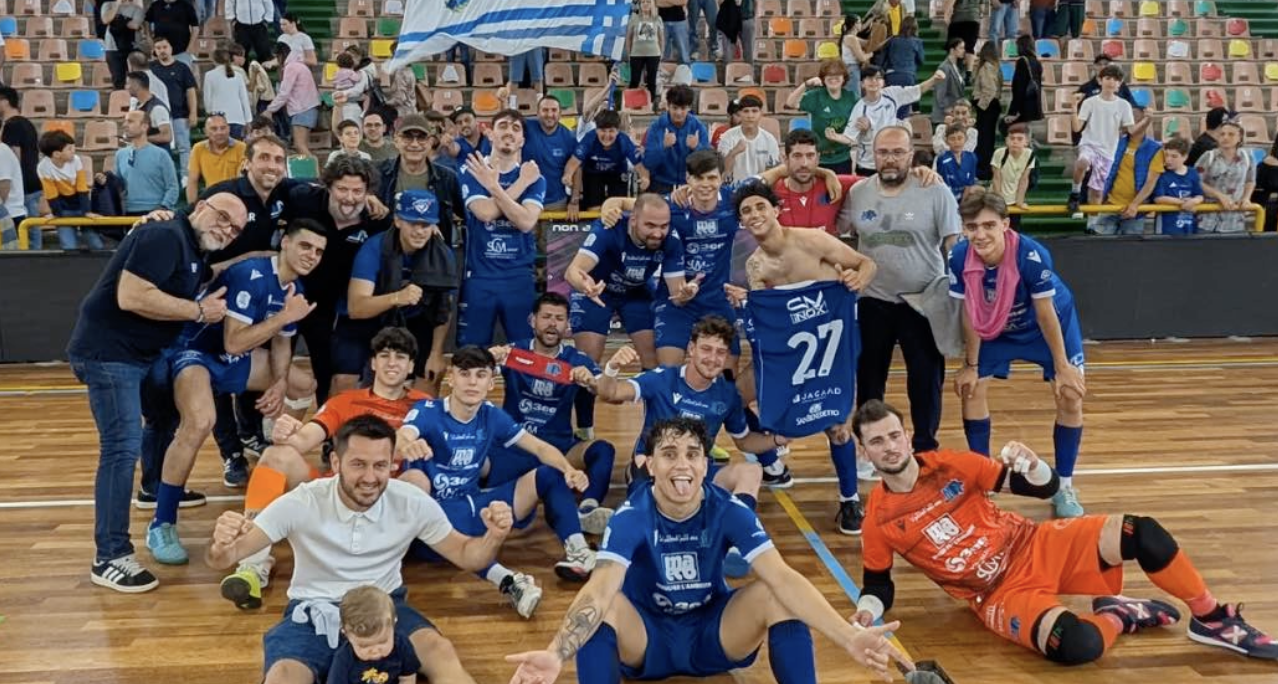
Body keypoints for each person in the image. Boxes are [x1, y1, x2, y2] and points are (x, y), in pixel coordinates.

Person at [852, 398, 1278, 665]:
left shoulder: (953, 465)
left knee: (1141, 531)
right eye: (877, 442)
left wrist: (1034, 464)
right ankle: (1119, 615)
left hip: (1035, 544)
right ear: (864, 451)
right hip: (998, 594)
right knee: (1075, 645)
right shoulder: (879, 519)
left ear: (908, 436)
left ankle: (1210, 618)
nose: (889, 447)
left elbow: (1046, 488)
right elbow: (878, 584)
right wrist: (867, 612)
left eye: (894, 436)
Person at [505, 416, 911, 684]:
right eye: (669, 454)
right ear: (650, 465)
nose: (682, 465)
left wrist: (848, 637)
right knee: (602, 607)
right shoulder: (631, 516)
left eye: (692, 454)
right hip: (647, 637)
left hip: (714, 633)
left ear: (705, 465)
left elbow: (783, 578)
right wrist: (557, 653)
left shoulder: (729, 510)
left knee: (777, 595)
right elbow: (599, 590)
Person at [206, 415, 504, 684]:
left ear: (392, 464)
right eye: (359, 464)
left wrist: (494, 536)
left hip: (385, 604)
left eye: (380, 465)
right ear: (336, 463)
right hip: (314, 608)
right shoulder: (302, 502)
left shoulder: (412, 502)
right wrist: (221, 545)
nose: (370, 477)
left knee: (440, 650)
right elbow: (225, 558)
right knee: (283, 675)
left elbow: (467, 555)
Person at [67, 191, 246, 592]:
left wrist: (257, 258)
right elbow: (131, 295)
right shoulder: (164, 235)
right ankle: (110, 556)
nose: (227, 229)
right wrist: (199, 312)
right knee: (120, 448)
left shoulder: (191, 246)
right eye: (223, 217)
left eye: (235, 229)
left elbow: (204, 273)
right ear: (200, 207)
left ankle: (152, 488)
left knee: (165, 415)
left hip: (144, 355)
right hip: (109, 354)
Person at [144, 219, 326, 565]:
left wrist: (279, 383)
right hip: (195, 353)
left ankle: (274, 464)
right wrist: (283, 316)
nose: (312, 255)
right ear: (285, 243)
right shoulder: (250, 274)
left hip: (232, 360)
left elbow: (282, 344)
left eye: (318, 251)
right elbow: (233, 341)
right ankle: (161, 522)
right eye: (305, 246)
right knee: (200, 421)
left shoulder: (295, 289)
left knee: (303, 384)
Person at [220, 327, 430, 609]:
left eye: (400, 357)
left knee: (417, 480)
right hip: (336, 493)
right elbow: (304, 440)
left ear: (411, 366)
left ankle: (378, 563)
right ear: (373, 363)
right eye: (385, 356)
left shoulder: (426, 406)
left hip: (386, 499)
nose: (392, 363)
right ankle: (252, 567)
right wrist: (287, 434)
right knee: (275, 455)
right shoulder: (346, 401)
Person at [396, 346, 598, 618]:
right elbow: (401, 436)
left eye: (480, 375)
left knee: (549, 473)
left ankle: (579, 551)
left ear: (491, 383)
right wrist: (407, 445)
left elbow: (539, 447)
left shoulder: (490, 414)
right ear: (451, 378)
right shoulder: (429, 411)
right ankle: (509, 580)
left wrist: (568, 469)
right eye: (464, 374)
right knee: (415, 488)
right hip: (435, 520)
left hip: (475, 504)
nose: (472, 382)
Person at [726, 181, 877, 533]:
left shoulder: (813, 240)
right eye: (746, 211)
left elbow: (866, 263)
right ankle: (772, 463)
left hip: (830, 349)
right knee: (732, 399)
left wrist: (858, 280)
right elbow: (765, 321)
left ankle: (849, 499)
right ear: (741, 222)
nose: (754, 215)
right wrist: (745, 303)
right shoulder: (755, 266)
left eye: (760, 207)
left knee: (837, 425)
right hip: (789, 352)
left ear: (776, 209)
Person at [949, 188, 1086, 518]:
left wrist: (1062, 366)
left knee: (1070, 394)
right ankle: (982, 482)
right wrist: (970, 364)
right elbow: (969, 312)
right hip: (995, 325)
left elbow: (1046, 312)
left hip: (1045, 326)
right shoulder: (958, 257)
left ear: (1005, 225)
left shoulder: (1032, 255)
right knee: (971, 389)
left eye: (989, 225)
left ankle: (1065, 486)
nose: (980, 234)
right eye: (972, 227)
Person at [846, 126, 960, 461]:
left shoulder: (935, 190)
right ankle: (868, 446)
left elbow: (954, 245)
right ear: (872, 154)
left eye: (898, 152)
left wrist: (961, 296)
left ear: (911, 155)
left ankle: (925, 448)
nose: (890, 159)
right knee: (869, 379)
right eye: (883, 152)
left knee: (925, 379)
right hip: (873, 300)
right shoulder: (858, 192)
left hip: (923, 300)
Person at [486, 292, 618, 532]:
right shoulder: (513, 352)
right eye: (546, 317)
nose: (552, 324)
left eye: (559, 319)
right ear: (532, 320)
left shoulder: (577, 359)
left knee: (602, 450)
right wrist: (488, 360)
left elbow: (608, 392)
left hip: (559, 448)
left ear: (567, 325)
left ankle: (588, 510)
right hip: (516, 445)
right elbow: (475, 375)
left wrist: (592, 381)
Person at [333, 189, 454, 395]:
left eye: (426, 225)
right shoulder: (374, 248)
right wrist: (397, 297)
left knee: (430, 372)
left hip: (413, 319)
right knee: (344, 378)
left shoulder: (442, 254)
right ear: (397, 221)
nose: (419, 231)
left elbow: (444, 308)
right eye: (412, 223)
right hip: (368, 318)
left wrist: (436, 352)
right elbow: (356, 307)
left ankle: (418, 415)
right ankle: (340, 416)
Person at [564, 193, 689, 369]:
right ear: (633, 220)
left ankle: (645, 387)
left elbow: (677, 295)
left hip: (637, 291)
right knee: (587, 362)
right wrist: (585, 286)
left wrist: (686, 294)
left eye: (663, 226)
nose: (657, 233)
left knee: (654, 360)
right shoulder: (609, 229)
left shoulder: (671, 239)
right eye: (650, 225)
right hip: (597, 292)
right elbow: (572, 272)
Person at [457, 109, 546, 347]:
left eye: (516, 128)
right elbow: (485, 213)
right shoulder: (473, 169)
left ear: (522, 140)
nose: (509, 132)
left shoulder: (535, 177)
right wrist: (520, 184)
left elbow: (526, 222)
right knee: (473, 353)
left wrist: (494, 188)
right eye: (503, 126)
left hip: (518, 277)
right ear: (490, 134)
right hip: (480, 276)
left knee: (524, 351)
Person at [838, 65, 946, 176]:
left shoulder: (892, 94)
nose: (874, 81)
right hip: (868, 164)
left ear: (883, 82)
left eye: (878, 78)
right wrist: (834, 136)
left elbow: (917, 90)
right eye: (869, 78)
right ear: (862, 84)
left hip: (891, 160)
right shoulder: (859, 108)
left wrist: (934, 79)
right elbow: (849, 137)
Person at [375, 114, 465, 233]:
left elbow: (467, 216)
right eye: (408, 137)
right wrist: (366, 195)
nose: (415, 144)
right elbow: (351, 169)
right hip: (386, 243)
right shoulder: (378, 172)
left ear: (430, 142)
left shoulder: (447, 178)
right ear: (396, 141)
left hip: (432, 244)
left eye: (421, 138)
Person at [1069, 64, 1138, 215]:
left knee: (1097, 192)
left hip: (1107, 150)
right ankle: (1075, 192)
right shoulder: (1090, 102)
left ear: (1120, 83)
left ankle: (1093, 222)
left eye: (1115, 79)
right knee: (1083, 161)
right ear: (1100, 80)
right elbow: (1077, 128)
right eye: (1108, 78)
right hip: (1089, 144)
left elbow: (1131, 130)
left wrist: (1146, 120)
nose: (1111, 82)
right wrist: (1073, 107)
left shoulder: (1124, 105)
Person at [564, 109, 647, 216]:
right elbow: (573, 162)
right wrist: (568, 175)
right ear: (596, 130)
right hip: (593, 173)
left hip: (617, 173)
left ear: (617, 131)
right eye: (603, 130)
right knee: (594, 207)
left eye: (611, 131)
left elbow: (639, 165)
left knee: (617, 207)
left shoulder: (624, 141)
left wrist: (645, 177)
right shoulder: (589, 139)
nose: (607, 135)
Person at [329, 586, 419, 684]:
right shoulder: (343, 659)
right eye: (364, 646)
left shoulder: (402, 644)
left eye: (383, 642)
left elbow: (408, 677)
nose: (375, 651)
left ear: (394, 623)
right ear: (346, 634)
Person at [1095, 108, 1163, 236]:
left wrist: (1135, 204)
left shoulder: (1155, 149)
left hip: (1134, 212)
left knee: (1131, 246)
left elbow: (1150, 182)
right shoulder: (1116, 143)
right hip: (1109, 206)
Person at [36, 130, 104, 251]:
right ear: (57, 154)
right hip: (63, 208)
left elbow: (82, 188)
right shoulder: (43, 167)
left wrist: (86, 211)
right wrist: (57, 213)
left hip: (80, 205)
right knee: (68, 246)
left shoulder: (76, 160)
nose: (74, 150)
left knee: (95, 242)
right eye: (69, 149)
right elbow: (51, 193)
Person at [786, 60, 857, 174]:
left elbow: (857, 127)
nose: (833, 79)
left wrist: (841, 138)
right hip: (820, 158)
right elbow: (790, 103)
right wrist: (806, 84)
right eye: (829, 75)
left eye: (837, 75)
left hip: (843, 157)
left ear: (844, 78)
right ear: (823, 78)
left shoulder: (851, 98)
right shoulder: (816, 96)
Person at [643, 85, 710, 194]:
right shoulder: (656, 127)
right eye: (674, 108)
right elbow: (648, 163)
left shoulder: (698, 127)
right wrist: (663, 146)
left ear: (689, 108)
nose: (678, 113)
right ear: (668, 106)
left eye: (683, 108)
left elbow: (708, 164)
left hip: (690, 185)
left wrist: (697, 147)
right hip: (660, 185)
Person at [1196, 121, 1258, 234]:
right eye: (1222, 134)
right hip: (1207, 219)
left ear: (1240, 138)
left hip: (1235, 220)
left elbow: (1250, 181)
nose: (1225, 137)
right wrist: (1219, 195)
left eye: (1231, 134)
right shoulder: (1208, 156)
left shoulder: (1247, 157)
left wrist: (1246, 198)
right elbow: (1196, 181)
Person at [0, 85, 42, 249]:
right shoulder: (26, 123)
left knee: (28, 233)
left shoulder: (12, 126)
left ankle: (33, 256)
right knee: (33, 227)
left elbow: (14, 159)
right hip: (32, 181)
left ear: (5, 101)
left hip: (23, 185)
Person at [116, 110, 179, 214]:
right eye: (125, 121)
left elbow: (172, 186)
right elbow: (117, 185)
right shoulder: (120, 155)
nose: (125, 125)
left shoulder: (161, 155)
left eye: (130, 121)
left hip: (156, 213)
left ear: (144, 126)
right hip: (128, 213)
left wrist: (163, 207)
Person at [520, 95, 577, 211]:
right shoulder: (525, 127)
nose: (550, 114)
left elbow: (577, 167)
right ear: (537, 113)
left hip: (556, 201)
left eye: (554, 110)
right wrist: (503, 102)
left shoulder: (568, 137)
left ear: (560, 114)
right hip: (526, 199)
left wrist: (574, 200)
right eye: (545, 110)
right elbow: (507, 121)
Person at [266, 42, 322, 160]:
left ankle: (315, 169)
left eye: (276, 57)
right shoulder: (299, 65)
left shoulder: (291, 67)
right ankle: (311, 169)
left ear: (280, 55)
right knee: (303, 146)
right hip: (307, 108)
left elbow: (284, 93)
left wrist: (270, 110)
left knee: (299, 145)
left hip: (302, 109)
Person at [716, 95, 779, 183]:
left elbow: (773, 171)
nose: (750, 115)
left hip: (760, 187)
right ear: (740, 114)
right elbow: (723, 171)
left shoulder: (769, 140)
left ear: (761, 113)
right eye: (746, 111)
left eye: (754, 111)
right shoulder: (727, 137)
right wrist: (734, 152)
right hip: (733, 187)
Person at [187, 114, 248, 205]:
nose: (219, 132)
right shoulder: (198, 149)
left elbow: (242, 180)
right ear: (205, 132)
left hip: (236, 200)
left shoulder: (242, 148)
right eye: (214, 129)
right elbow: (192, 181)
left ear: (229, 129)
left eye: (223, 128)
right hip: (210, 200)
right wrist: (192, 207)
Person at [1153, 137, 1205, 236]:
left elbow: (1199, 195)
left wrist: (1194, 201)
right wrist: (1182, 203)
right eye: (1166, 155)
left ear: (1185, 157)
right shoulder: (1162, 173)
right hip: (1167, 225)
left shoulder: (1192, 173)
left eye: (1174, 156)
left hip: (1189, 223)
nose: (1168, 160)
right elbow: (1158, 198)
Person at [990, 123, 1038, 227]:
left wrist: (1019, 201)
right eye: (1012, 138)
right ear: (1007, 141)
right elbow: (996, 179)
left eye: (1019, 139)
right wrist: (1000, 201)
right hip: (997, 197)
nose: (1015, 142)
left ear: (1026, 142)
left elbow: (1024, 179)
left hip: (1014, 199)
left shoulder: (1029, 154)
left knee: (1014, 228)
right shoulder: (999, 153)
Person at [203, 47, 255, 139]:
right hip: (238, 118)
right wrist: (248, 120)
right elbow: (244, 99)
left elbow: (207, 100)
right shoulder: (238, 76)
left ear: (214, 60)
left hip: (218, 119)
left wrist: (209, 114)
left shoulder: (209, 75)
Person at [971, 42, 1003, 179]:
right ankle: (986, 168)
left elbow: (989, 90)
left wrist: (981, 106)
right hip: (993, 106)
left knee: (984, 139)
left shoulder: (986, 67)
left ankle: (983, 169)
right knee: (988, 139)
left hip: (987, 106)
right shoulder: (996, 67)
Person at [627, 0, 664, 101]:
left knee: (651, 81)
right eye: (643, 2)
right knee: (634, 80)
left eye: (648, 2)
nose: (645, 4)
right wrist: (629, 53)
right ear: (640, 5)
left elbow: (661, 38)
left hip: (653, 54)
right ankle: (631, 103)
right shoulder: (634, 18)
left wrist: (661, 52)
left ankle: (650, 103)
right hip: (636, 54)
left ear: (652, 4)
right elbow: (629, 38)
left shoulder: (657, 19)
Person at [1004, 35, 1044, 130]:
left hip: (1024, 106)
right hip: (1034, 105)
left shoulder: (1022, 61)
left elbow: (1019, 88)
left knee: (1007, 128)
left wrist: (1013, 111)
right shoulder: (1037, 62)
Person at [145, 0, 199, 67]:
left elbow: (195, 28)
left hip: (181, 51)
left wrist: (190, 47)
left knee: (182, 73)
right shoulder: (155, 5)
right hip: (159, 52)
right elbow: (147, 21)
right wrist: (148, 36)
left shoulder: (186, 6)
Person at [936, 126, 978, 203]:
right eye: (952, 139)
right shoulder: (943, 159)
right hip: (948, 196)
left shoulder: (971, 157)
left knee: (980, 191)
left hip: (964, 194)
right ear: (946, 141)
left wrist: (963, 203)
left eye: (960, 138)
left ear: (965, 139)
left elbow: (969, 183)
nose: (956, 142)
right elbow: (943, 186)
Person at [227, 0, 276, 64]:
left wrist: (267, 19)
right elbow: (230, 2)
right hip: (241, 24)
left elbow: (268, 2)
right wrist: (232, 19)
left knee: (263, 50)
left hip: (259, 24)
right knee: (241, 50)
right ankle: (243, 68)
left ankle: (263, 68)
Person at [933, 38, 968, 126]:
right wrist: (947, 108)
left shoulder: (957, 67)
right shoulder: (944, 67)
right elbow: (940, 92)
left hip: (955, 113)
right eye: (961, 48)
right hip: (945, 115)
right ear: (952, 50)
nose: (963, 51)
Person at [657, 0, 691, 65]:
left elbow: (683, 1)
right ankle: (661, 70)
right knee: (661, 55)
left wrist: (665, 1)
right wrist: (675, 2)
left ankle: (685, 70)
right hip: (662, 21)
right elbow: (657, 2)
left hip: (680, 21)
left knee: (684, 56)